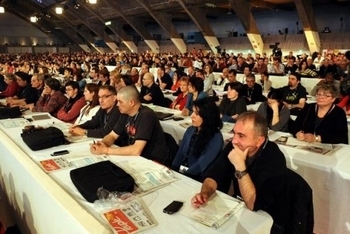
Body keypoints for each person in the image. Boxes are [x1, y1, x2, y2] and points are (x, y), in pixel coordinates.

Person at [191, 111, 288, 233]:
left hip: (268, 220)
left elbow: (253, 203)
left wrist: (240, 166)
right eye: (234, 133)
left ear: (259, 141)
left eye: (241, 136)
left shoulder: (273, 158)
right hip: (242, 209)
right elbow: (214, 174)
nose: (234, 141)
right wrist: (205, 193)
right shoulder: (235, 147)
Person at [90, 86, 168, 164]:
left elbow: (136, 150)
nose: (117, 105)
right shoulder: (125, 113)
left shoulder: (146, 115)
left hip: (152, 160)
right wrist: (102, 144)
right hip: (135, 158)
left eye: (120, 102)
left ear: (131, 103)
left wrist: (107, 150)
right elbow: (112, 135)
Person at [171, 98, 223, 180]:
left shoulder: (216, 138)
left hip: (199, 178)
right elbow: (180, 153)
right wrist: (173, 171)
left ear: (207, 116)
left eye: (197, 114)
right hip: (183, 172)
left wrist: (183, 176)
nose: (192, 116)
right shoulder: (190, 130)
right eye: (193, 112)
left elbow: (201, 165)